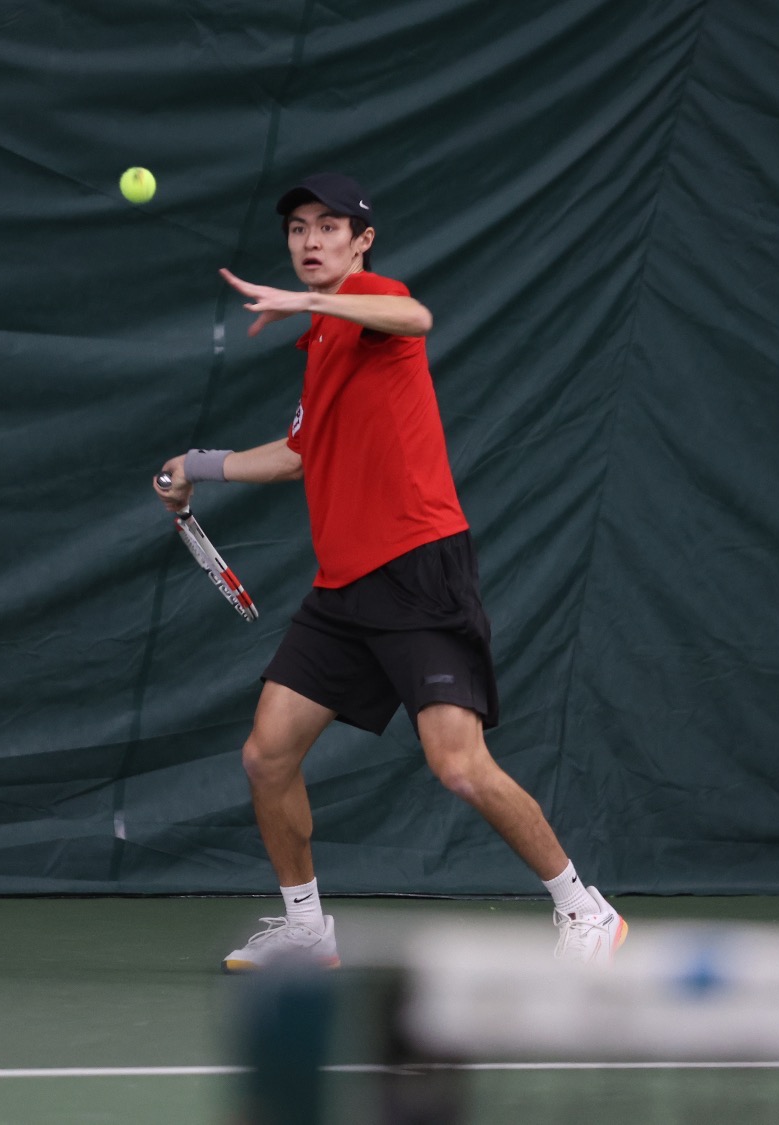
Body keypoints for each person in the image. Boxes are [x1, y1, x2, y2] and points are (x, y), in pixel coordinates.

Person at [154, 173, 626, 972]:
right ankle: (307, 931)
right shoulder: (323, 344)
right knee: (267, 753)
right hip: (344, 588)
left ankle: (588, 911)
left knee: (458, 766)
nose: (309, 240)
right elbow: (299, 455)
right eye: (298, 227)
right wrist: (195, 464)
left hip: (416, 568)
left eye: (328, 226)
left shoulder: (370, 303)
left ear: (361, 240)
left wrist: (311, 301)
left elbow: (415, 316)